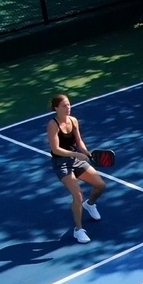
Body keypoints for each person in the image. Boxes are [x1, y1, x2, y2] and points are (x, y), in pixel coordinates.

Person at [46, 93, 106, 244]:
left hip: (75, 159)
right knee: (77, 195)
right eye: (64, 105)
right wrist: (76, 154)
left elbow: (79, 142)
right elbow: (56, 149)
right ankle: (78, 230)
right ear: (56, 108)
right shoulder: (52, 125)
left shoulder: (73, 121)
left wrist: (86, 152)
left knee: (100, 185)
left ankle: (90, 204)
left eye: (69, 104)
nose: (68, 107)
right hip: (61, 163)